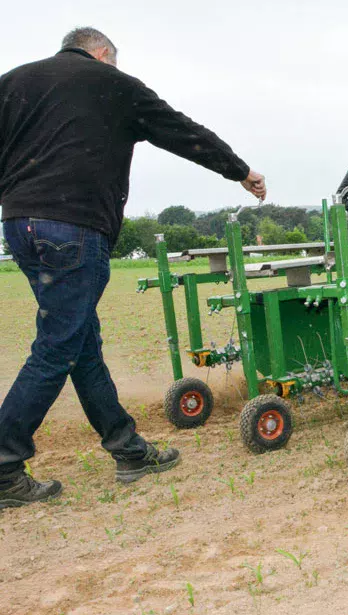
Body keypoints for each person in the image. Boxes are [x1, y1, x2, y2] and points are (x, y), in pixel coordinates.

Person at [0, 28, 267, 509]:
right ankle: (3, 463)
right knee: (58, 345)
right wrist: (240, 170)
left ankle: (129, 450)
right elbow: (182, 132)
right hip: (74, 227)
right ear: (103, 55)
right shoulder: (112, 84)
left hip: (19, 224)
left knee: (79, 342)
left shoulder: (13, 82)